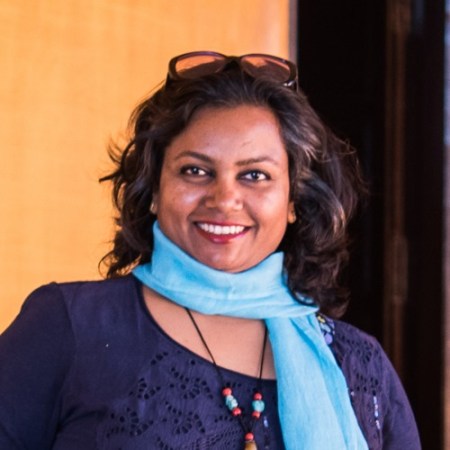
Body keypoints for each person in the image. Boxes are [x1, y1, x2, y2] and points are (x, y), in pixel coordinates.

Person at [0, 51, 420, 450]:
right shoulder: (69, 326)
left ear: (294, 199)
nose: (224, 199)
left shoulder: (360, 365)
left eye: (255, 175)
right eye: (195, 170)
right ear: (153, 188)